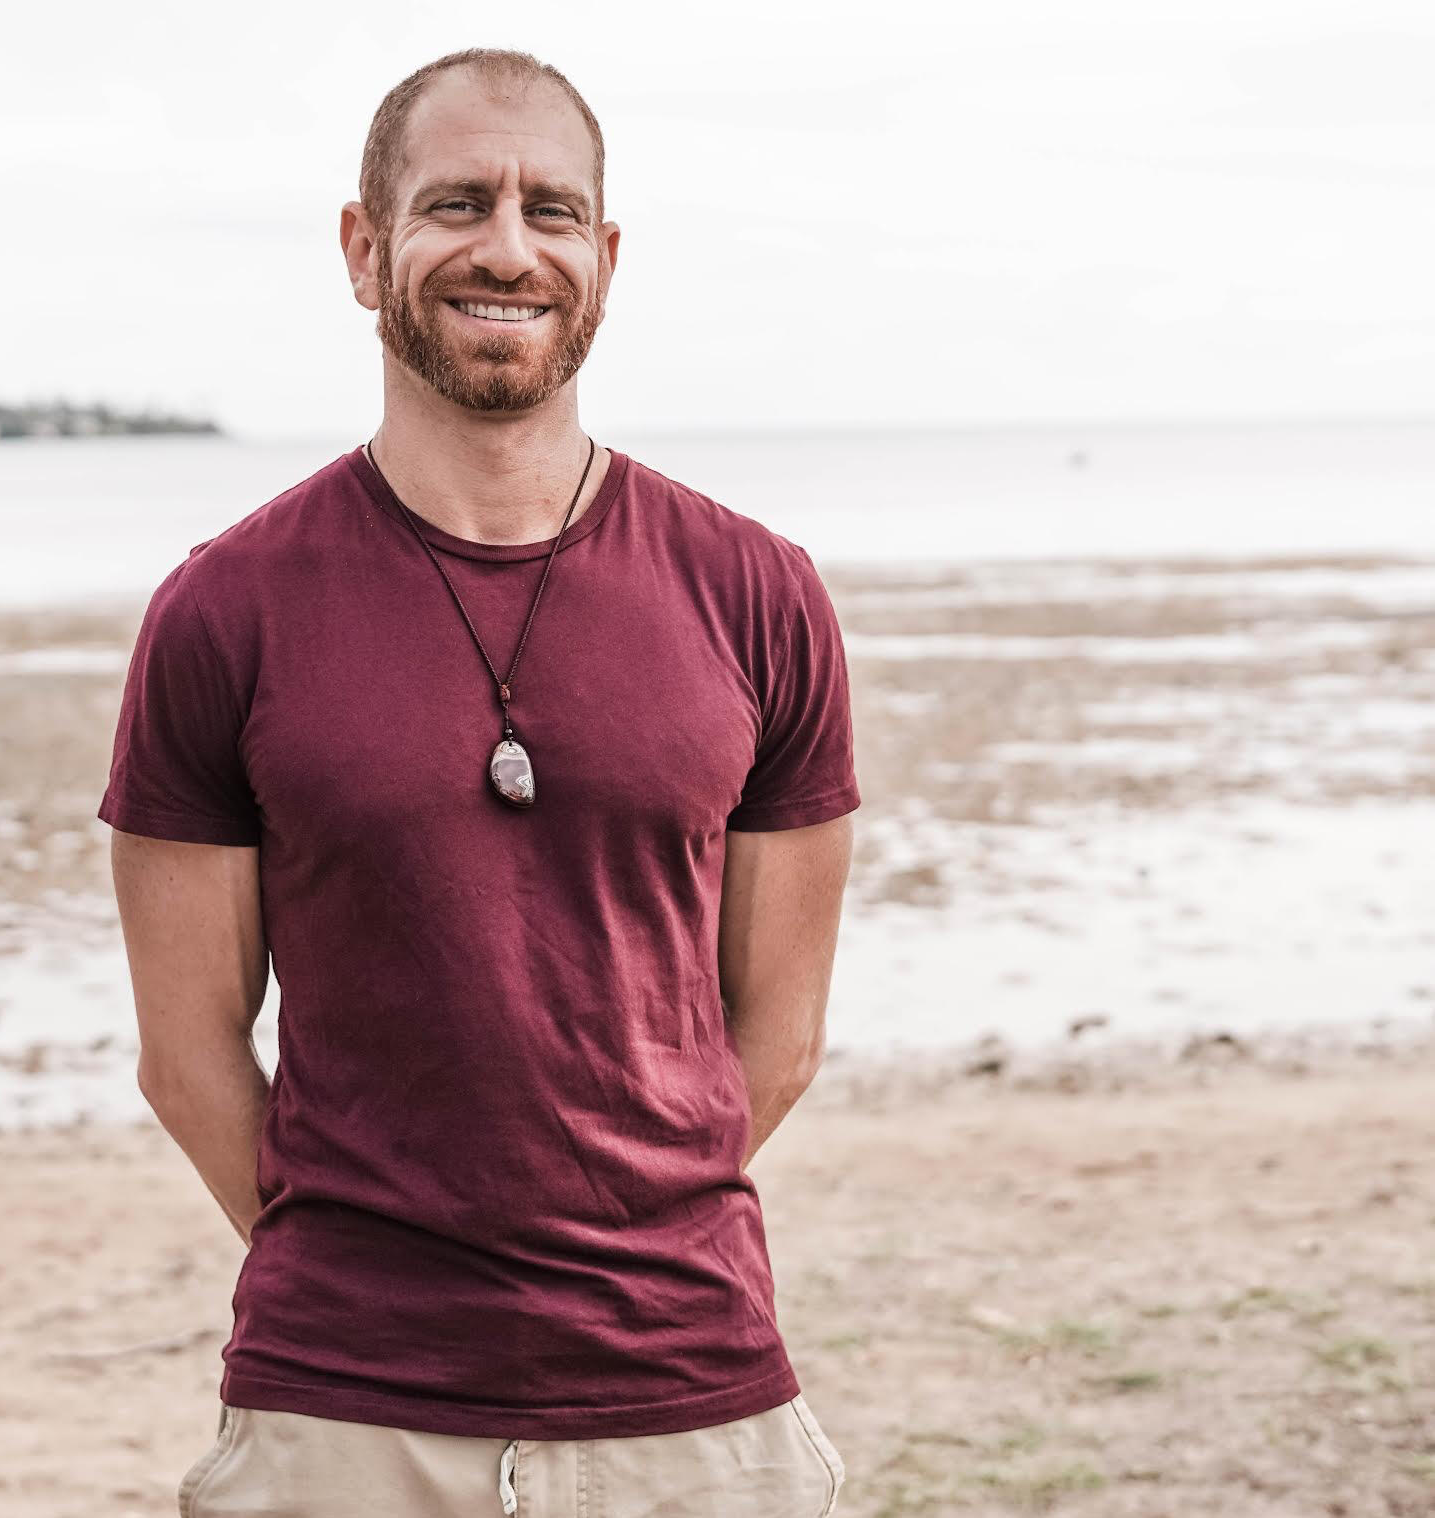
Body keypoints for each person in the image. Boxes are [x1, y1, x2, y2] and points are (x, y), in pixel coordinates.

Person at [100, 45, 857, 1518]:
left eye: (550, 210)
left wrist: (601, 1236)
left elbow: (777, 1032)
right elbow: (186, 1053)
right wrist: (370, 1266)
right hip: (339, 1411)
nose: (507, 247)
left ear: (605, 257)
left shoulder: (759, 593)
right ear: (363, 246)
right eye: (457, 201)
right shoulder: (223, 609)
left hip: (691, 1396)